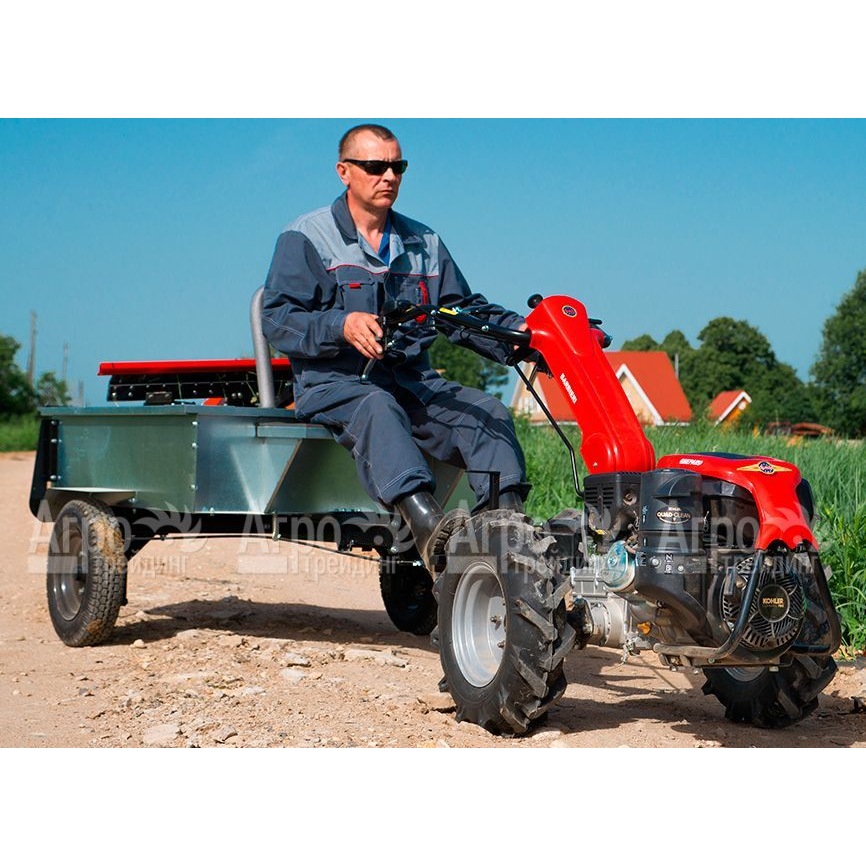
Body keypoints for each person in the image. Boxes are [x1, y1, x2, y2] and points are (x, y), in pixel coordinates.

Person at [261, 123, 530, 572]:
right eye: (375, 166)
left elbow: (461, 311)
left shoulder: (424, 243)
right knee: (378, 407)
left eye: (397, 166)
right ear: (344, 171)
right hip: (334, 385)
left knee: (489, 414)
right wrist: (341, 325)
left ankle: (508, 538)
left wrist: (522, 335)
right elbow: (278, 319)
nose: (388, 176)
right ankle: (430, 535)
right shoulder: (306, 237)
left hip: (412, 382)